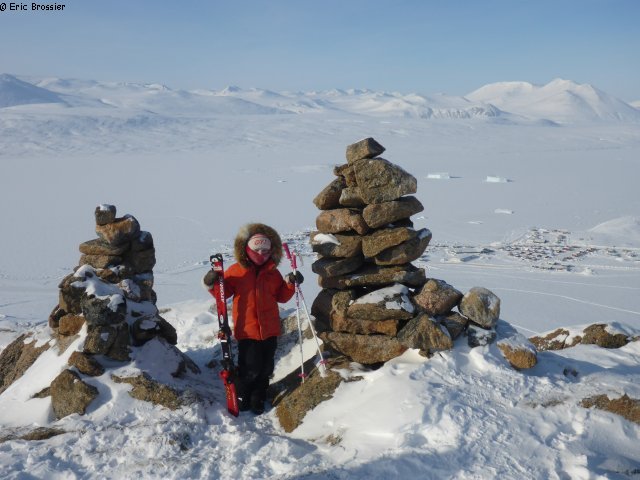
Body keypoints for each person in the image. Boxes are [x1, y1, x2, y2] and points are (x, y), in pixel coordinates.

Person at [203, 223, 303, 415]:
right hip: (247, 331)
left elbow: (281, 296)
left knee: (266, 368)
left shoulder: (273, 273)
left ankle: (258, 396)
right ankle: (243, 394)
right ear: (246, 249)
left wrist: (290, 284)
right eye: (256, 249)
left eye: (265, 250)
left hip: (270, 330)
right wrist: (211, 283)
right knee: (250, 368)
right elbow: (223, 294)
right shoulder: (236, 271)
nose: (261, 253)